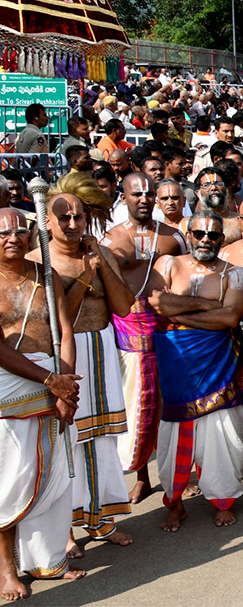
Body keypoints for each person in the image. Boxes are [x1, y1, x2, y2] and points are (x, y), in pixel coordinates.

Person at [38, 188, 135, 553]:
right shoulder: (39, 262)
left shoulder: (100, 253)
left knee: (103, 442)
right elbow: (56, 319)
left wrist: (101, 262)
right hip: (67, 360)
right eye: (63, 217)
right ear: (47, 222)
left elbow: (124, 307)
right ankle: (65, 532)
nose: (73, 223)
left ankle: (102, 521)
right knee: (68, 444)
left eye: (78, 216)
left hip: (103, 351)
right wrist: (83, 274)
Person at [148, 210, 243, 531]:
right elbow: (156, 303)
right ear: (188, 235)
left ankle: (222, 500)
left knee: (221, 433)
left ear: (222, 239)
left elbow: (230, 318)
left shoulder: (235, 275)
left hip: (218, 362)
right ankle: (175, 503)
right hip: (176, 362)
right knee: (174, 434)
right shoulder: (168, 264)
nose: (205, 240)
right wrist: (210, 306)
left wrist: (179, 312)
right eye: (198, 234)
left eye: (213, 235)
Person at [0, 207, 84, 599]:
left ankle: (48, 559)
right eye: (3, 233)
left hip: (53, 384)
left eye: (19, 231)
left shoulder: (43, 276)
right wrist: (52, 381)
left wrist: (65, 385)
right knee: (10, 484)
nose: (12, 238)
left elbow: (65, 331)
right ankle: (6, 570)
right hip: (14, 389)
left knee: (54, 477)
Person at [99, 173, 189, 504]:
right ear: (123, 197)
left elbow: (188, 275)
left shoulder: (174, 236)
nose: (144, 198)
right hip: (128, 333)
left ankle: (177, 475)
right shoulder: (111, 239)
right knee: (138, 406)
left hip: (170, 331)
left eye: (149, 193)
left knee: (173, 405)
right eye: (136, 193)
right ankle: (142, 475)